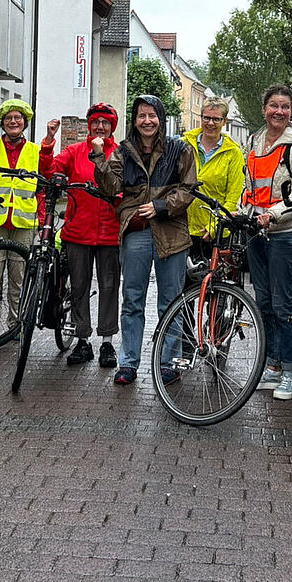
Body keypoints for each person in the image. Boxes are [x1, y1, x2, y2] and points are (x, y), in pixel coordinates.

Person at [92, 94, 197, 385]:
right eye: (141, 116)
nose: (147, 121)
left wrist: (162, 206)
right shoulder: (123, 151)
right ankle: (128, 363)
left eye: (152, 115)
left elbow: (189, 189)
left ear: (160, 118)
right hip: (137, 230)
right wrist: (99, 156)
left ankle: (168, 362)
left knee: (171, 301)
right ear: (134, 120)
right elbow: (111, 188)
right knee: (133, 299)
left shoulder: (179, 149)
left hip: (171, 232)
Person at [240, 85, 292, 401]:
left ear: (291, 111)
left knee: (283, 304)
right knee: (264, 302)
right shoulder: (255, 142)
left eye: (285, 106)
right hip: (256, 233)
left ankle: (289, 371)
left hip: (283, 233)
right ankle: (271, 366)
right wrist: (242, 212)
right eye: (274, 105)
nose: (279, 112)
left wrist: (273, 214)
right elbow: (250, 187)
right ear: (264, 109)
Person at [0, 98, 58, 337]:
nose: (13, 122)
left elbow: (44, 181)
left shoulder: (34, 151)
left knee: (19, 279)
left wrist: (41, 219)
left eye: (18, 118)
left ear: (24, 123)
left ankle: (15, 324)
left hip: (23, 223)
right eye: (9, 118)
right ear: (3, 123)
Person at [49, 103, 122, 368]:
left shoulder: (120, 154)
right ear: (88, 125)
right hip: (78, 231)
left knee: (109, 286)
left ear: (112, 127)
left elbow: (124, 186)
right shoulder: (75, 151)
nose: (100, 127)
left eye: (105, 123)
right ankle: (82, 341)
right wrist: (48, 144)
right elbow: (51, 170)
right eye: (95, 122)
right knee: (79, 286)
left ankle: (107, 342)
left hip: (110, 233)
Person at [183, 96, 244, 263]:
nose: (210, 123)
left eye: (216, 119)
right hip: (183, 229)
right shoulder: (184, 145)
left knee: (210, 286)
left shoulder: (233, 153)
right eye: (207, 118)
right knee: (183, 286)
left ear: (224, 121)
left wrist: (215, 227)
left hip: (214, 233)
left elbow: (233, 197)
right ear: (201, 117)